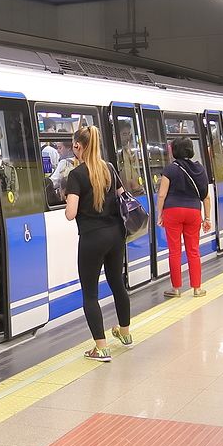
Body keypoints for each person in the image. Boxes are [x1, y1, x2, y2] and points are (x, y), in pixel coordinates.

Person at [63, 124, 133, 361]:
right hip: (115, 235)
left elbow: (71, 213)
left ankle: (101, 347)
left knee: (90, 293)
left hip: (92, 238)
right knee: (117, 284)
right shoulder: (110, 169)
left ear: (77, 146)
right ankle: (125, 333)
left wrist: (69, 201)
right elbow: (123, 196)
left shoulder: (76, 175)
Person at [156, 138, 210, 298]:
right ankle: (197, 289)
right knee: (193, 250)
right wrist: (207, 218)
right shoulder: (200, 169)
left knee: (174, 251)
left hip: (173, 211)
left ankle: (176, 289)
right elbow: (206, 197)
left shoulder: (170, 169)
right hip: (193, 211)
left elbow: (161, 195)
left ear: (174, 151)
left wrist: (160, 214)